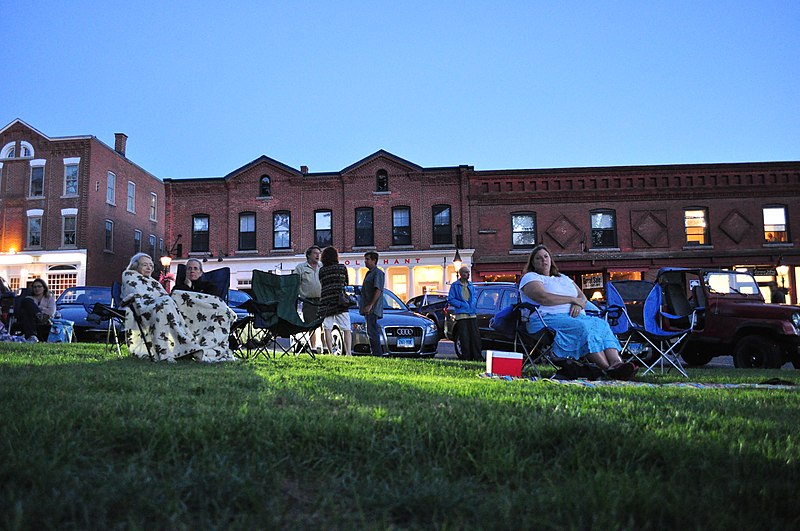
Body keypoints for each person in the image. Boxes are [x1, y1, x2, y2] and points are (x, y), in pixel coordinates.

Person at [519, 244, 636, 380]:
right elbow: (544, 298)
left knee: (601, 325)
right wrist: (572, 300)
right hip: (545, 319)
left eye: (546, 256)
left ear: (551, 259)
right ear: (533, 263)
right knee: (583, 327)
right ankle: (607, 369)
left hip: (574, 317)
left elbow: (583, 298)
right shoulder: (530, 277)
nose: (543, 260)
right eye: (538, 258)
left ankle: (617, 364)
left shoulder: (563, 278)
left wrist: (579, 305)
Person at [121, 252, 236, 363]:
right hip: (152, 309)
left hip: (196, 316)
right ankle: (184, 348)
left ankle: (196, 347)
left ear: (201, 272)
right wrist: (186, 287)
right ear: (136, 266)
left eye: (151, 265)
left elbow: (211, 302)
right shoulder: (131, 276)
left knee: (168, 304)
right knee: (169, 302)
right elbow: (170, 297)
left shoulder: (210, 286)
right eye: (144, 265)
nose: (149, 268)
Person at [318, 246, 352, 355]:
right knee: (346, 328)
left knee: (327, 328)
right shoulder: (342, 268)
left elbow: (321, 283)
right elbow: (346, 283)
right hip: (340, 301)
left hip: (326, 301)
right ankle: (348, 353)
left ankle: (330, 352)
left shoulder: (322, 270)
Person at [448, 266, 482, 360]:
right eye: (466, 272)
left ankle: (477, 356)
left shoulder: (471, 285)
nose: (468, 274)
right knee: (464, 337)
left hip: (472, 314)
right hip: (461, 315)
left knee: (475, 336)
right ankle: (466, 356)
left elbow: (474, 296)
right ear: (461, 274)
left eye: (468, 272)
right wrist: (461, 304)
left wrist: (473, 304)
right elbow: (451, 299)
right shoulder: (455, 285)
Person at [293, 245, 322, 352]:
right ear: (309, 255)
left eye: (319, 253)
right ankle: (313, 348)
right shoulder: (301, 268)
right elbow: (295, 283)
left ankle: (325, 348)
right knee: (311, 324)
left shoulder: (322, 266)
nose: (318, 255)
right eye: (315, 253)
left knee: (324, 324)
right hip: (308, 301)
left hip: (322, 300)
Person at [360, 251, 385, 356]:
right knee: (370, 330)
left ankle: (377, 354)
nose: (365, 261)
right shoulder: (368, 273)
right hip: (367, 307)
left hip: (373, 309)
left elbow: (378, 290)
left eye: (367, 259)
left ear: (374, 260)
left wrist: (370, 305)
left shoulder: (378, 273)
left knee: (372, 331)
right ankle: (374, 352)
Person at [16, 278, 56, 342]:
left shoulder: (50, 298)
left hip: (46, 320)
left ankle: (32, 336)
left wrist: (38, 308)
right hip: (32, 319)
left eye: (39, 286)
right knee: (26, 303)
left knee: (28, 312)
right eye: (34, 287)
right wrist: (40, 311)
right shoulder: (29, 298)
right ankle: (38, 316)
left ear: (44, 288)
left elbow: (51, 312)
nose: (37, 289)